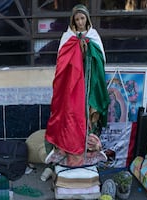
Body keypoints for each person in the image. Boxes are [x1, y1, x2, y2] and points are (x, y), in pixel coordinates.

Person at [44, 4, 110, 167]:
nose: (80, 22)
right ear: (73, 21)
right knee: (70, 115)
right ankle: (66, 151)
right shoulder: (68, 37)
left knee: (89, 116)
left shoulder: (93, 35)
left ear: (87, 19)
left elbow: (101, 60)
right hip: (72, 86)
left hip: (89, 85)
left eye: (82, 18)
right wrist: (76, 50)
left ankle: (88, 153)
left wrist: (88, 51)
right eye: (77, 19)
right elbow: (62, 62)